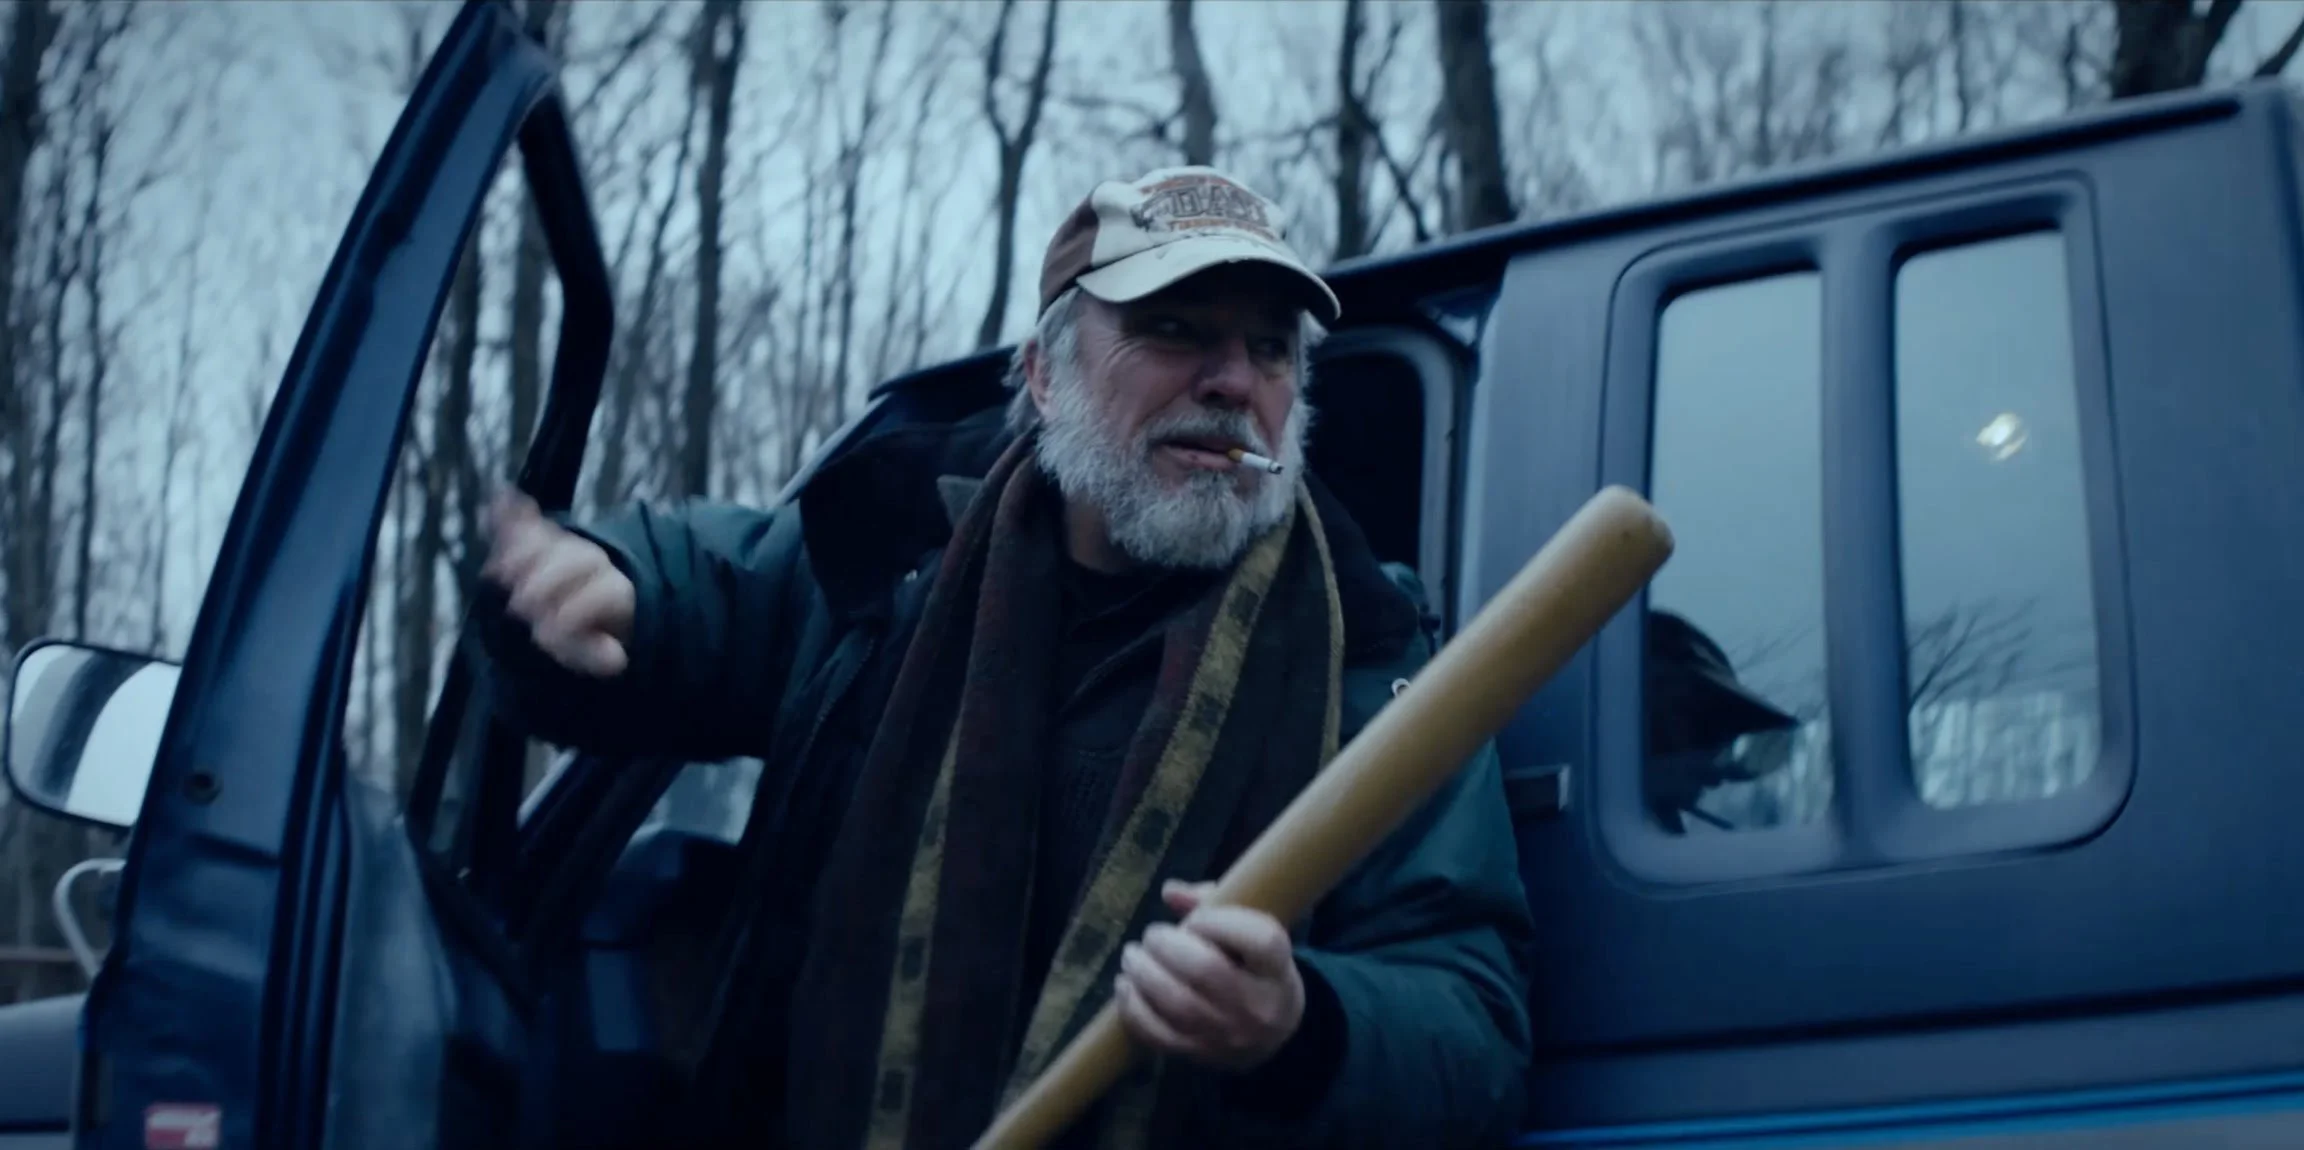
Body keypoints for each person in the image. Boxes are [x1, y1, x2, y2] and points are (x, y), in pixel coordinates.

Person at [473, 165, 1535, 1149]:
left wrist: (1302, 1027)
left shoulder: (1379, 661)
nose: (1232, 381)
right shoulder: (884, 562)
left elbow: (1472, 1024)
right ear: (1043, 374)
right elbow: (687, 590)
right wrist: (588, 587)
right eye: (1175, 329)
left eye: (1270, 348)